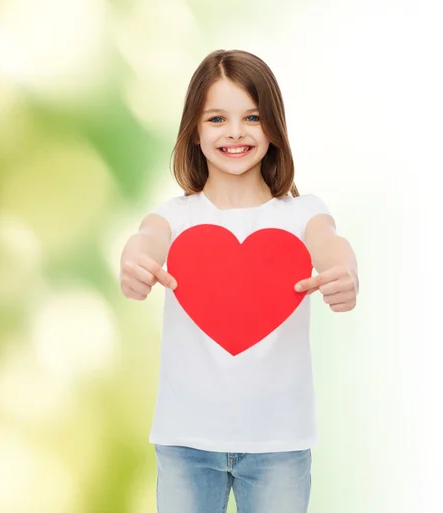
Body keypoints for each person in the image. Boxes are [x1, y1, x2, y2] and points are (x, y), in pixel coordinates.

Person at [119, 49, 359, 513]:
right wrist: (134, 263)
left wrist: (343, 272)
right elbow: (145, 240)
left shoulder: (302, 213)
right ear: (194, 130)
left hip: (280, 445)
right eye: (216, 118)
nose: (235, 132)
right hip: (185, 441)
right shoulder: (176, 217)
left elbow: (331, 243)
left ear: (273, 125)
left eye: (252, 116)